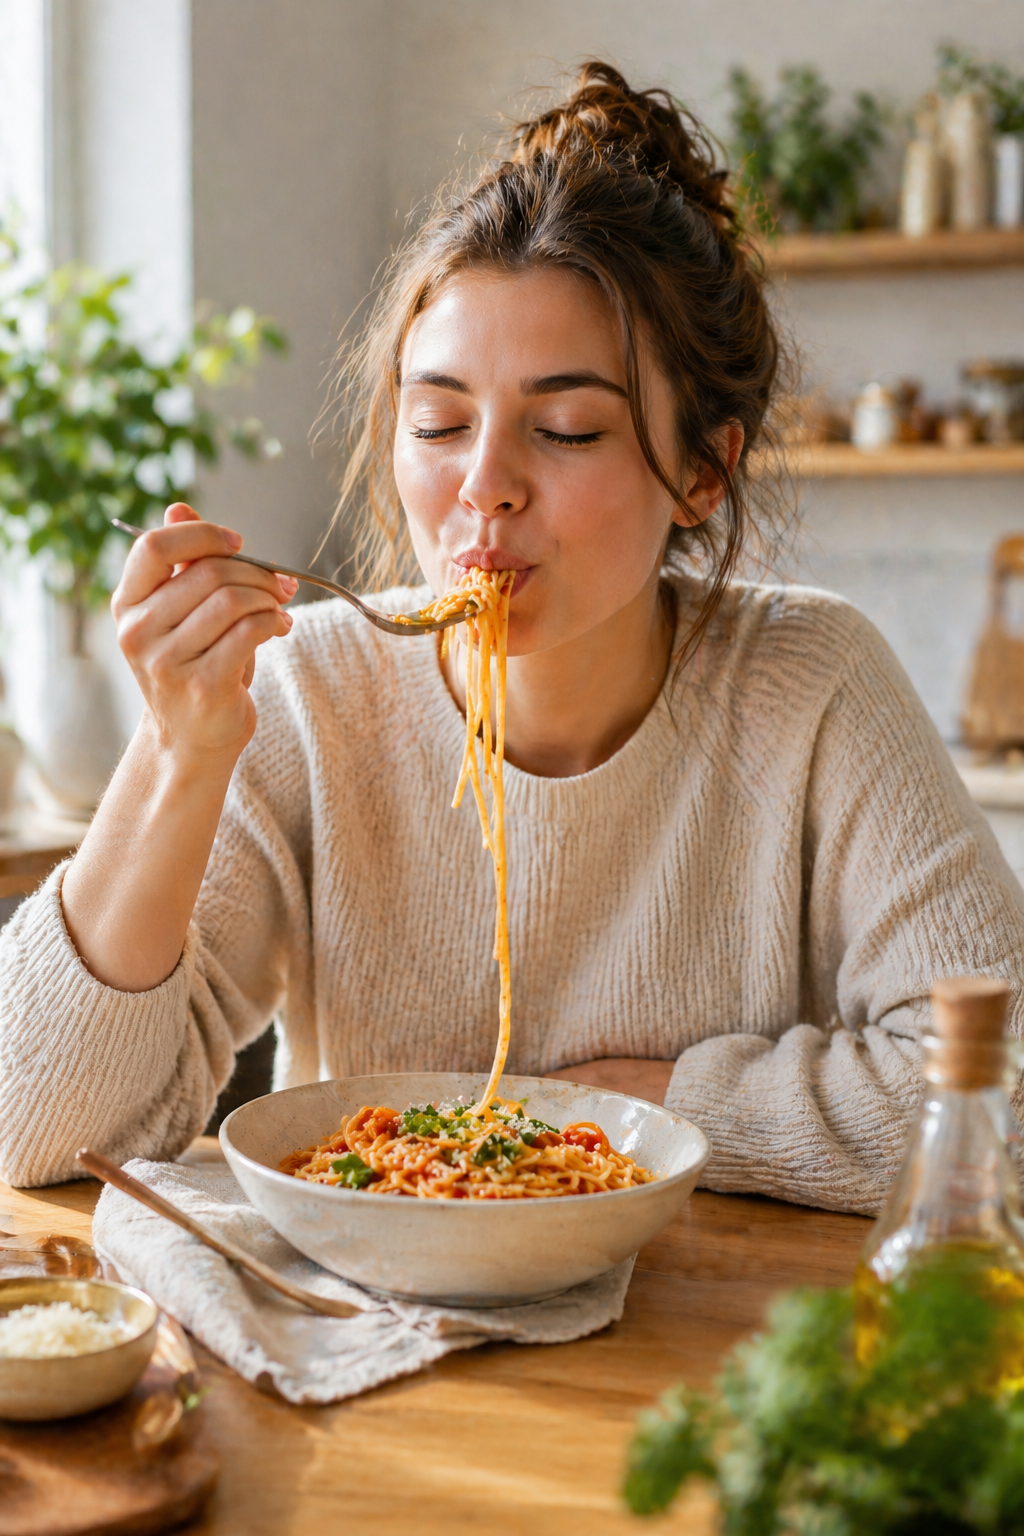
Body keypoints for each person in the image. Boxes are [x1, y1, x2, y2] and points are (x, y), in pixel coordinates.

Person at [2, 63, 1022, 1210]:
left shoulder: (812, 686)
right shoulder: (307, 695)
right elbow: (29, 1127)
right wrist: (178, 755)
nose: (481, 487)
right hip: (376, 1345)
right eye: (438, 421)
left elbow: (1006, 1103)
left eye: (568, 429)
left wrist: (653, 1110)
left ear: (700, 471)